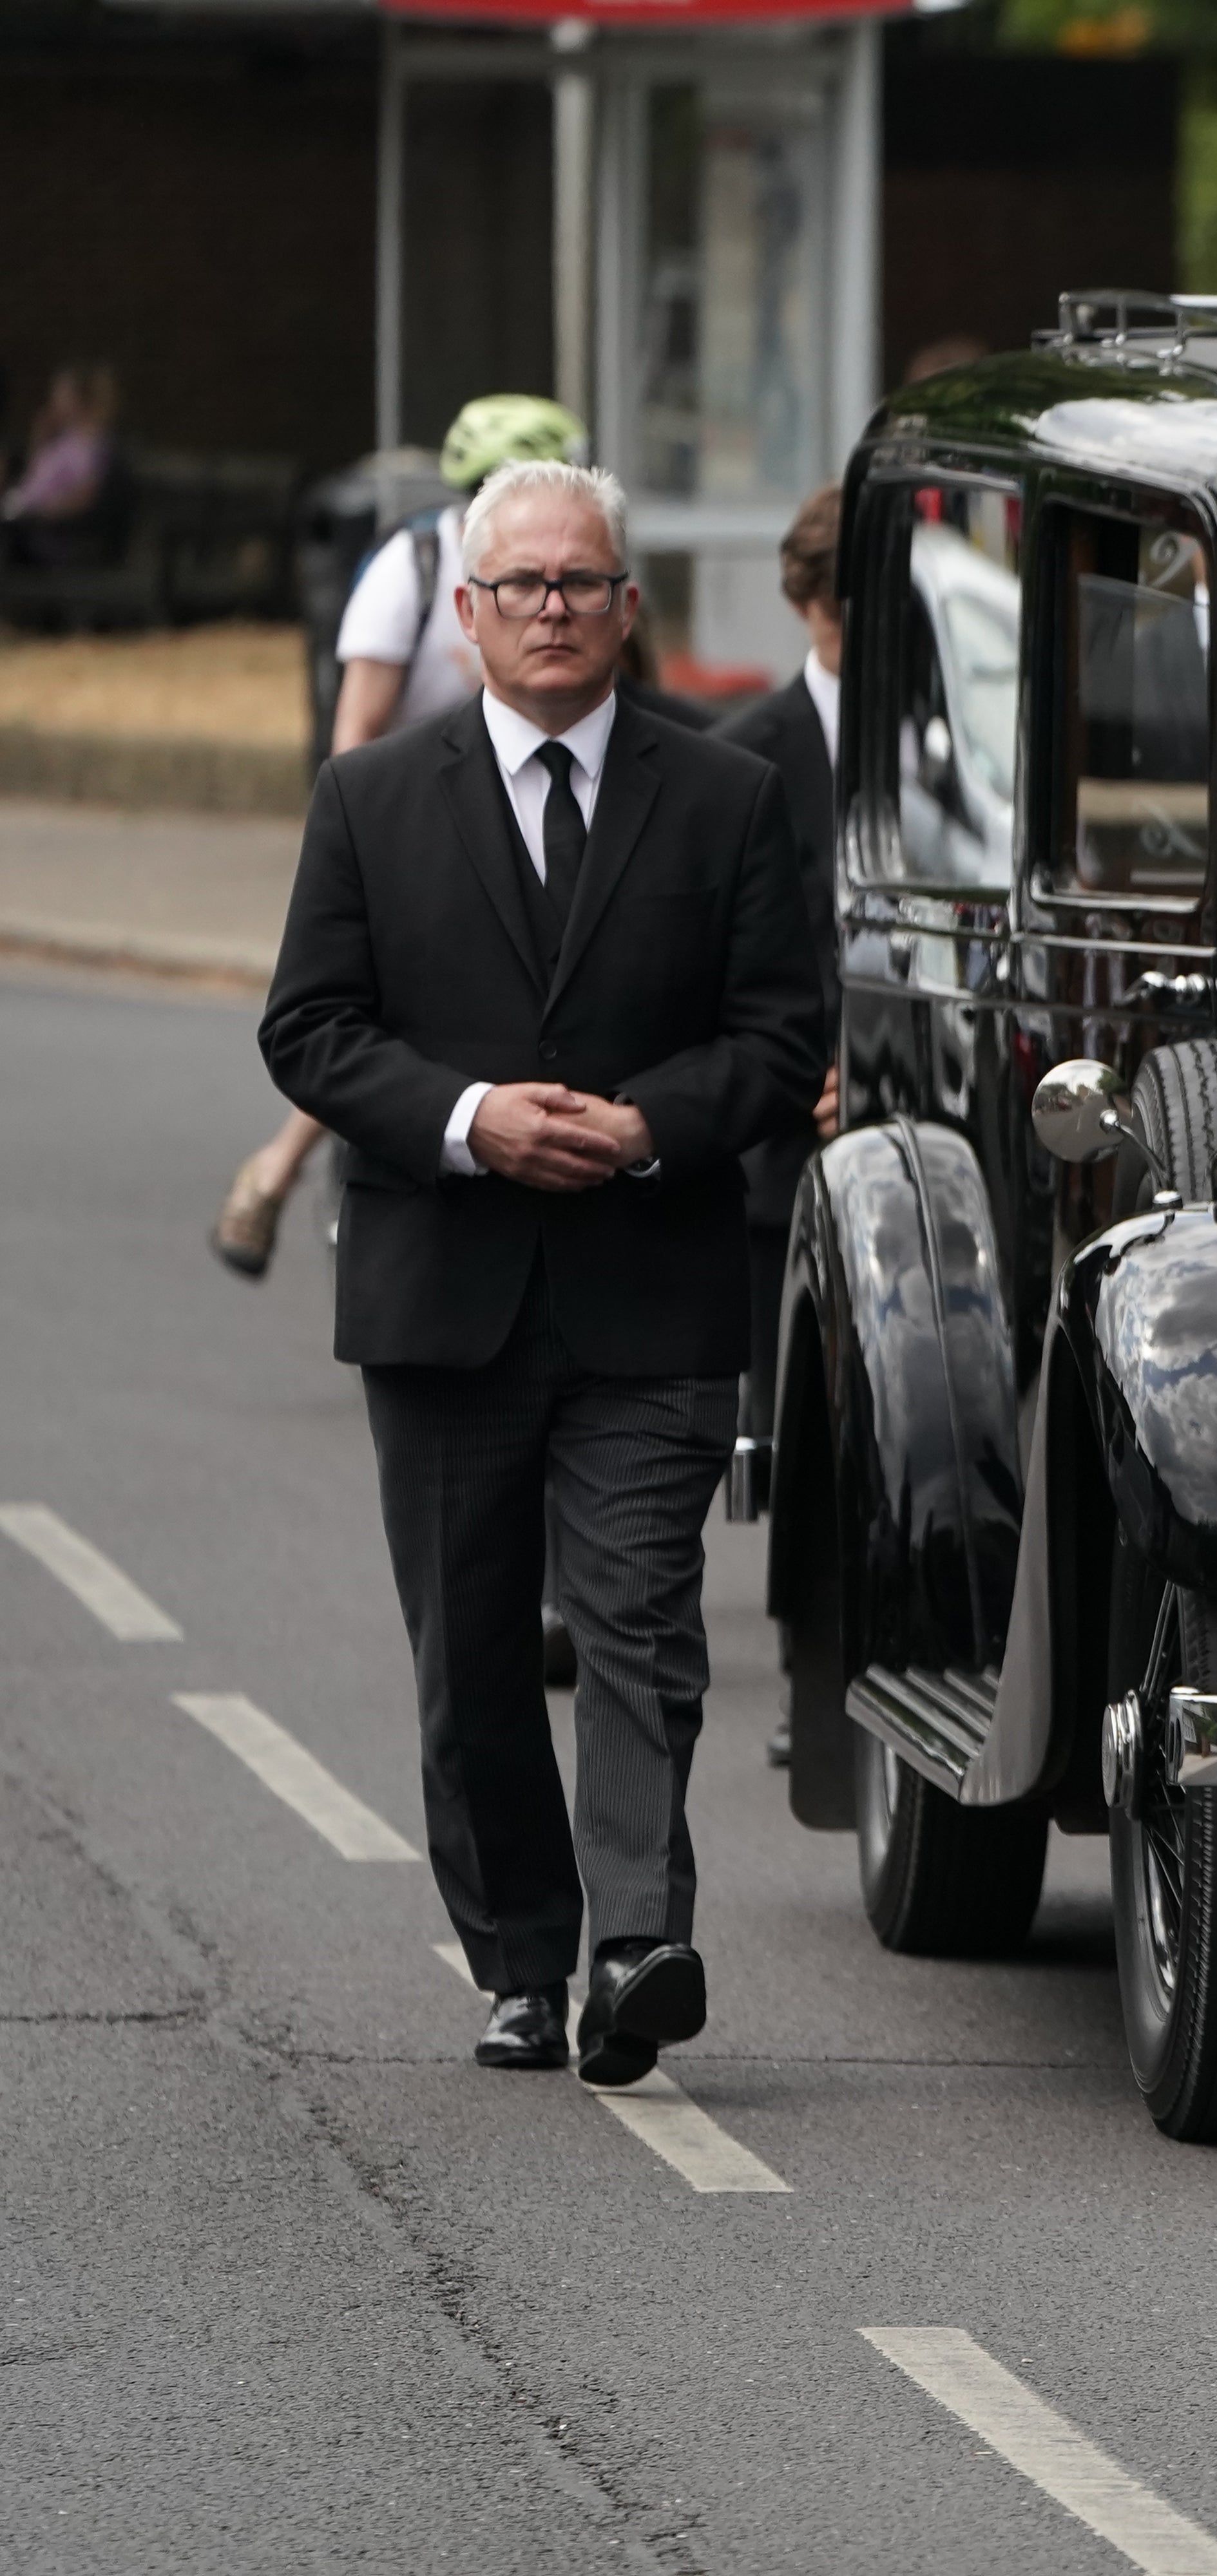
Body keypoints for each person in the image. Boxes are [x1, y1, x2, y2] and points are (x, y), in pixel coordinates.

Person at [258, 458, 821, 2085]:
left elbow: (784, 1037)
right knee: (476, 1650)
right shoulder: (371, 799)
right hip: (445, 1300)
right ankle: (520, 1953)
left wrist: (646, 1129)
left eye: (583, 582)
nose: (555, 609)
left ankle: (638, 1943)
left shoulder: (723, 796)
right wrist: (468, 1118)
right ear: (469, 613)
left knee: (643, 1622)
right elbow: (310, 1028)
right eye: (524, 587)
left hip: (651, 1291)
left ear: (629, 609)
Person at [214, 394, 590, 1278]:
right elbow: (358, 730)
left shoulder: (569, 579)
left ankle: (279, 1169)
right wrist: (383, 849)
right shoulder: (413, 568)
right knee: (385, 1009)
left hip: (537, 820)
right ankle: (282, 1171)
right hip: (424, 829)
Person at [713, 486, 848, 1768]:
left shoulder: (963, 736)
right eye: (853, 603)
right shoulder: (749, 753)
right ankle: (807, 1681)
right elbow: (741, 954)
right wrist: (800, 1071)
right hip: (784, 1138)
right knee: (785, 1422)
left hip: (911, 1109)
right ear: (812, 608)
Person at [1, 362, 122, 567]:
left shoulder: (89, 447)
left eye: (61, 393)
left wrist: (37, 513)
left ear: (79, 400)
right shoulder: (64, 440)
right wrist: (39, 441)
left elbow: (82, 496)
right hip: (20, 522)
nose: (54, 400)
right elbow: (33, 482)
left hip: (44, 536)